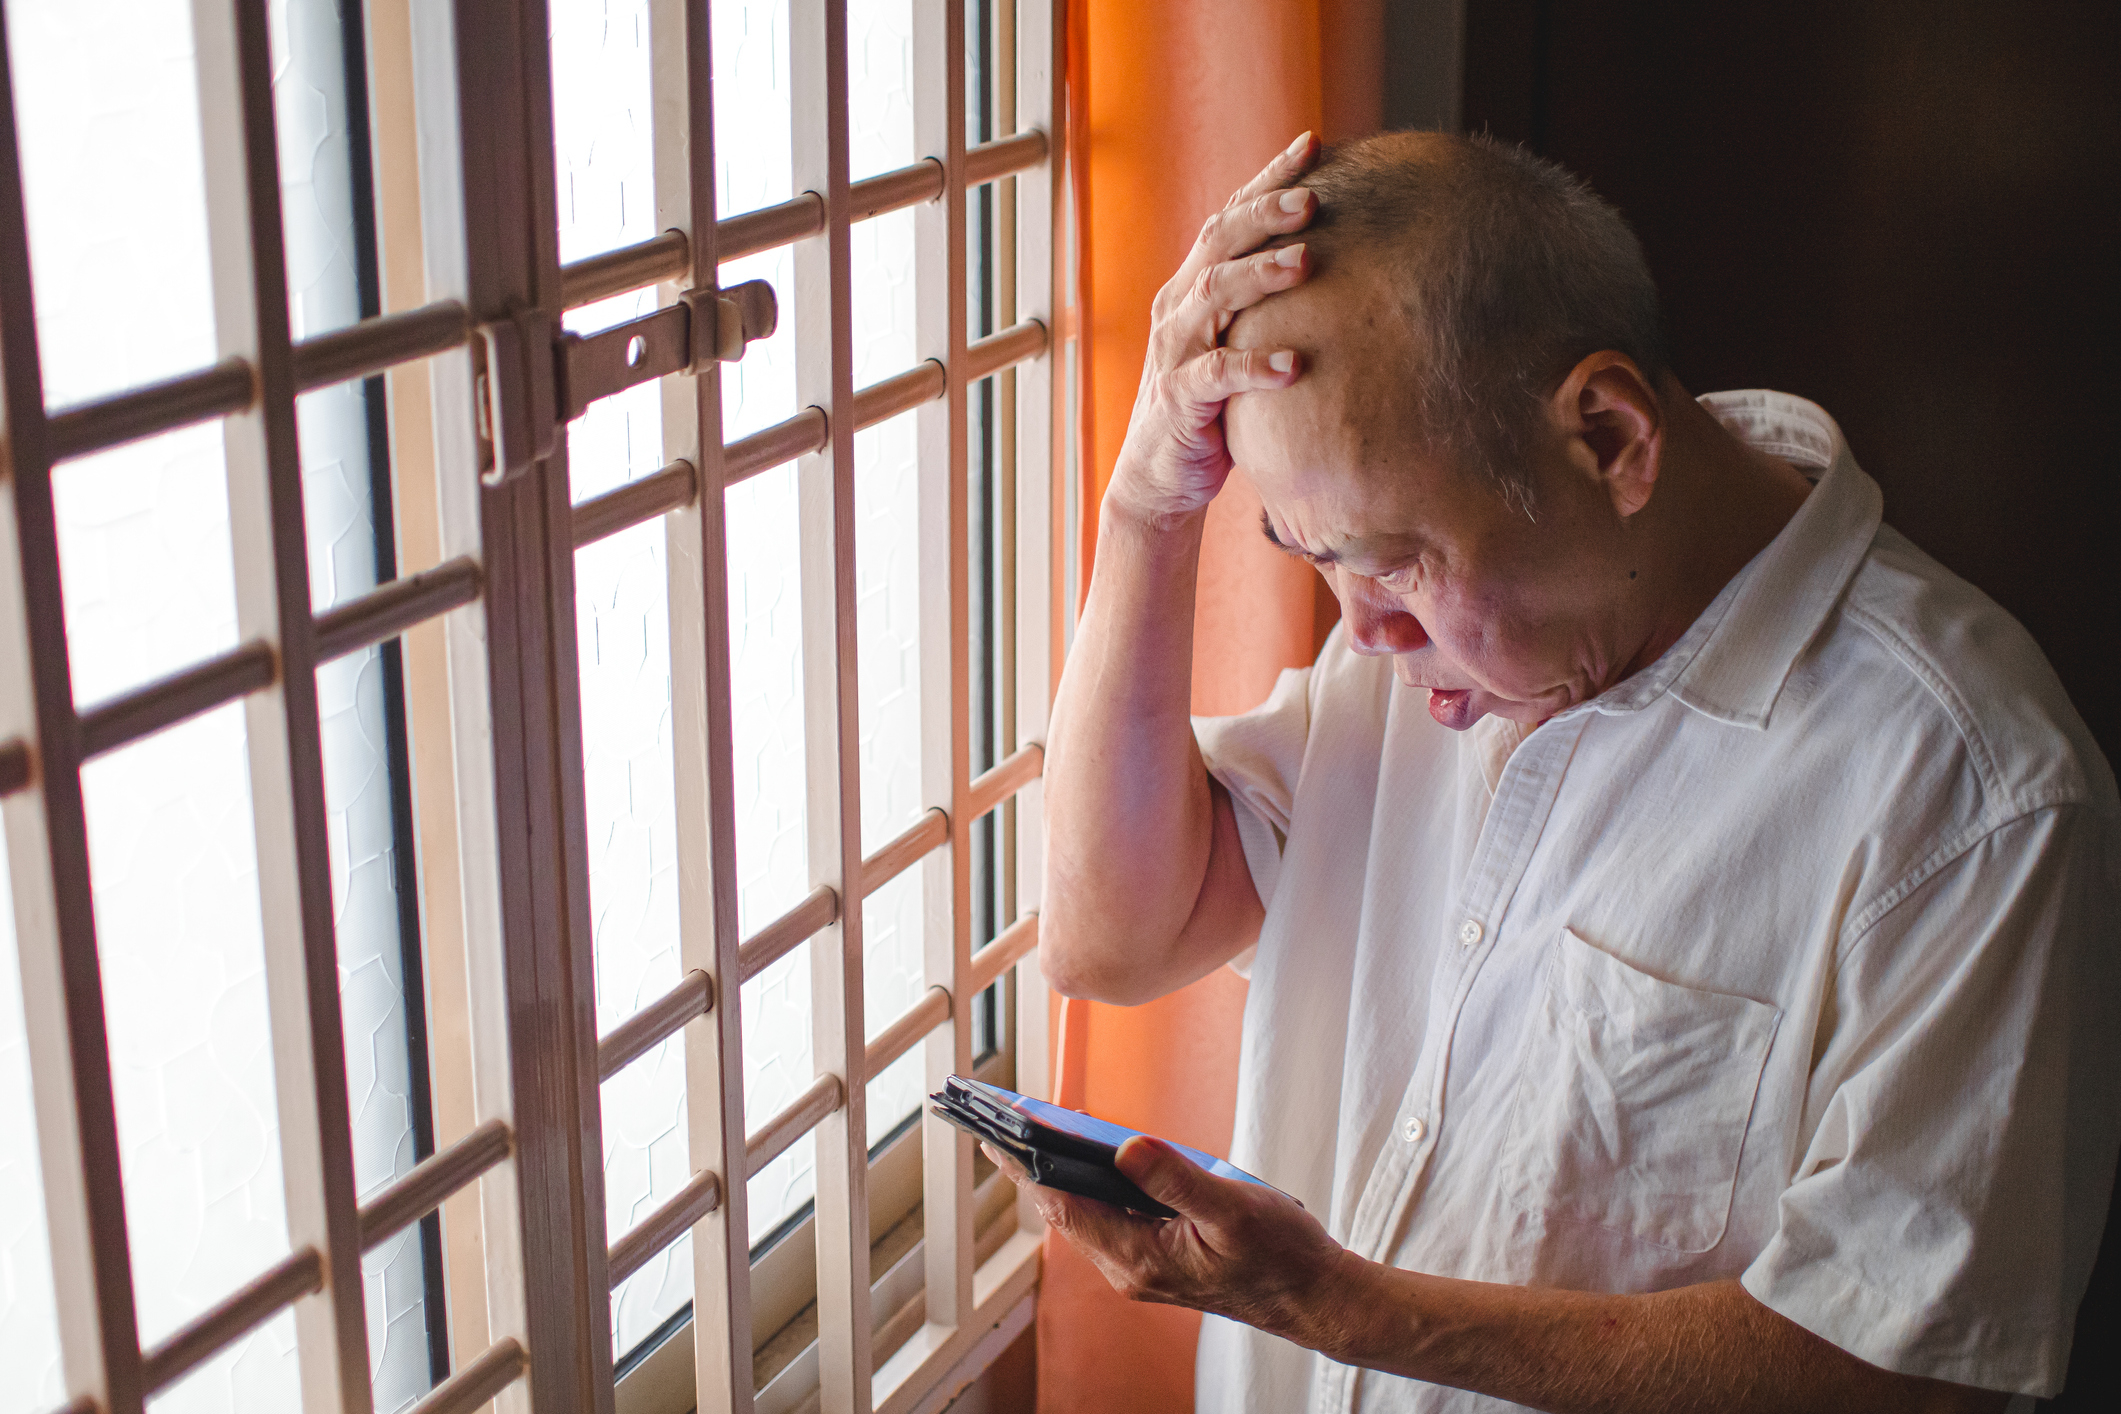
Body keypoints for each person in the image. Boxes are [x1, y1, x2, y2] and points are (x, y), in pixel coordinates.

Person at [1009, 129, 2121, 1414]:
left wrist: (1341, 1308)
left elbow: (1905, 1371)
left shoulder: (1977, 790)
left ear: (1608, 436)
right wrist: (1148, 503)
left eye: (1394, 558)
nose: (1361, 627)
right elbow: (1106, 938)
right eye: (1312, 553)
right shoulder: (1426, 654)